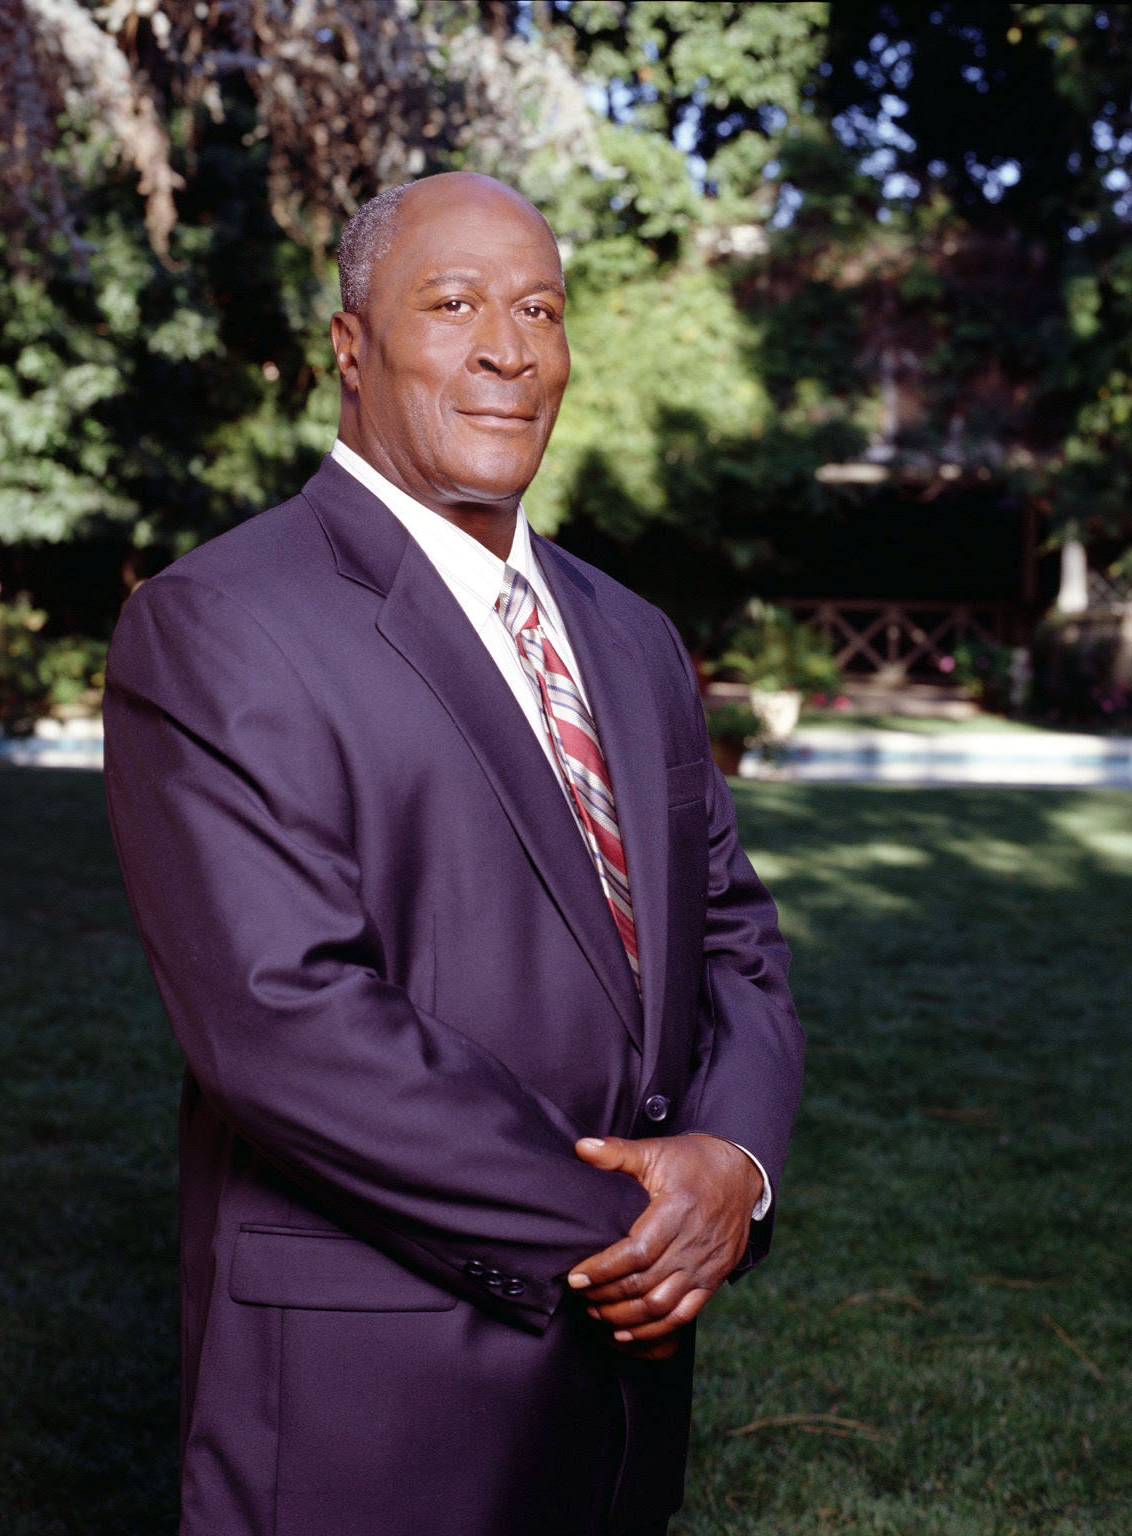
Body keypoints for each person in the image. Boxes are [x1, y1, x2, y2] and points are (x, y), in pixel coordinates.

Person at [104, 171, 803, 1536]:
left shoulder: (635, 637)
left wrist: (733, 1163)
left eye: (538, 306)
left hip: (625, 1401)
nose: (506, 345)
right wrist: (629, 1234)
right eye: (455, 302)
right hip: (378, 1390)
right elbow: (281, 1019)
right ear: (351, 349)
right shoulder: (220, 625)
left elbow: (736, 939)